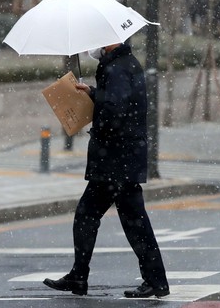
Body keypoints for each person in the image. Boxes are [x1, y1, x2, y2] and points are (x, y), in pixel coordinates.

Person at [43, 42, 170, 298]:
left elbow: (114, 112)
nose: (93, 46)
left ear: (110, 43)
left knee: (94, 216)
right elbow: (115, 101)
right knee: (126, 220)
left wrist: (95, 109)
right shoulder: (124, 64)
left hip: (116, 161)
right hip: (121, 159)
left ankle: (82, 277)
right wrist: (92, 91)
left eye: (98, 41)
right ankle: (153, 280)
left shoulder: (117, 69)